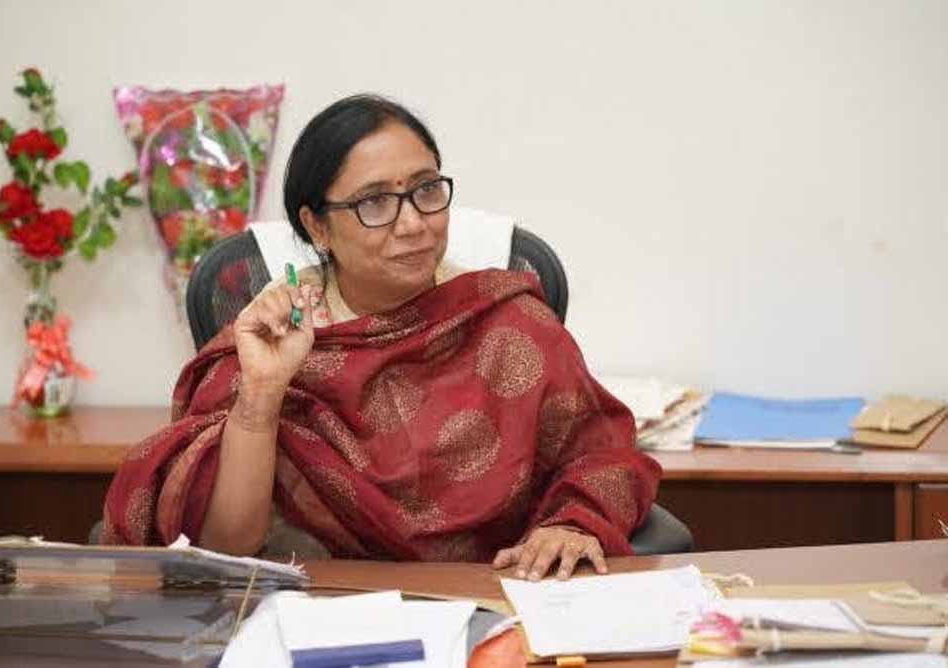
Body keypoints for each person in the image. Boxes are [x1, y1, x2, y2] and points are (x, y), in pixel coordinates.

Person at [103, 94, 661, 581]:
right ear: (317, 226)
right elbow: (226, 547)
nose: (414, 223)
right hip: (313, 611)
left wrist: (571, 524)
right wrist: (263, 393)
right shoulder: (269, 341)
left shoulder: (510, 323)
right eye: (374, 202)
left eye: (426, 190)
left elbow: (601, 457)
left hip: (490, 602)